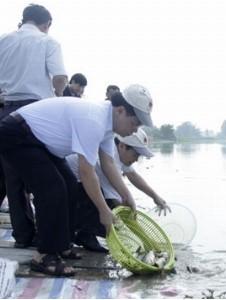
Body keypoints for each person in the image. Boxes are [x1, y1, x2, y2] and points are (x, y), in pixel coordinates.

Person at [0, 83, 154, 276]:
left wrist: (126, 195)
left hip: (41, 143)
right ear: (121, 110)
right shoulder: (94, 120)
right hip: (17, 133)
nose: (134, 130)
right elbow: (87, 172)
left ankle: (62, 245)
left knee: (70, 186)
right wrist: (103, 210)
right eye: (135, 124)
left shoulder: (107, 125)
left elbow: (108, 164)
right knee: (52, 189)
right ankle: (44, 255)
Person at [0, 4, 68, 248]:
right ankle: (46, 235)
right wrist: (59, 96)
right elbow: (59, 78)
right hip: (36, 115)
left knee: (13, 178)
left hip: (6, 110)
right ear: (47, 24)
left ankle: (23, 235)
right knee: (43, 176)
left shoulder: (4, 40)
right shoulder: (48, 42)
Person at [66, 128, 170, 252]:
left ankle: (85, 233)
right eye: (136, 154)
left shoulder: (116, 153)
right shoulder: (107, 161)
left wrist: (155, 196)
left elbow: (133, 175)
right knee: (111, 211)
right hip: (66, 188)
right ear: (122, 146)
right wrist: (146, 240)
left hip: (77, 185)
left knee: (111, 210)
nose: (137, 159)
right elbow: (119, 205)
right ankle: (83, 233)